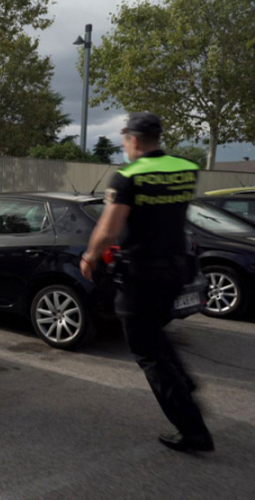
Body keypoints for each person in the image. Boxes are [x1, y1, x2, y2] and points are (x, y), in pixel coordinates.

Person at [81, 112, 212, 453]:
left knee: (145, 348)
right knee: (153, 330)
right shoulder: (186, 168)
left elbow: (109, 229)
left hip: (142, 273)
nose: (124, 147)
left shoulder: (129, 176)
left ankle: (192, 430)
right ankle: (183, 382)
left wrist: (90, 257)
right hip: (177, 268)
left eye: (124, 141)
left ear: (134, 140)